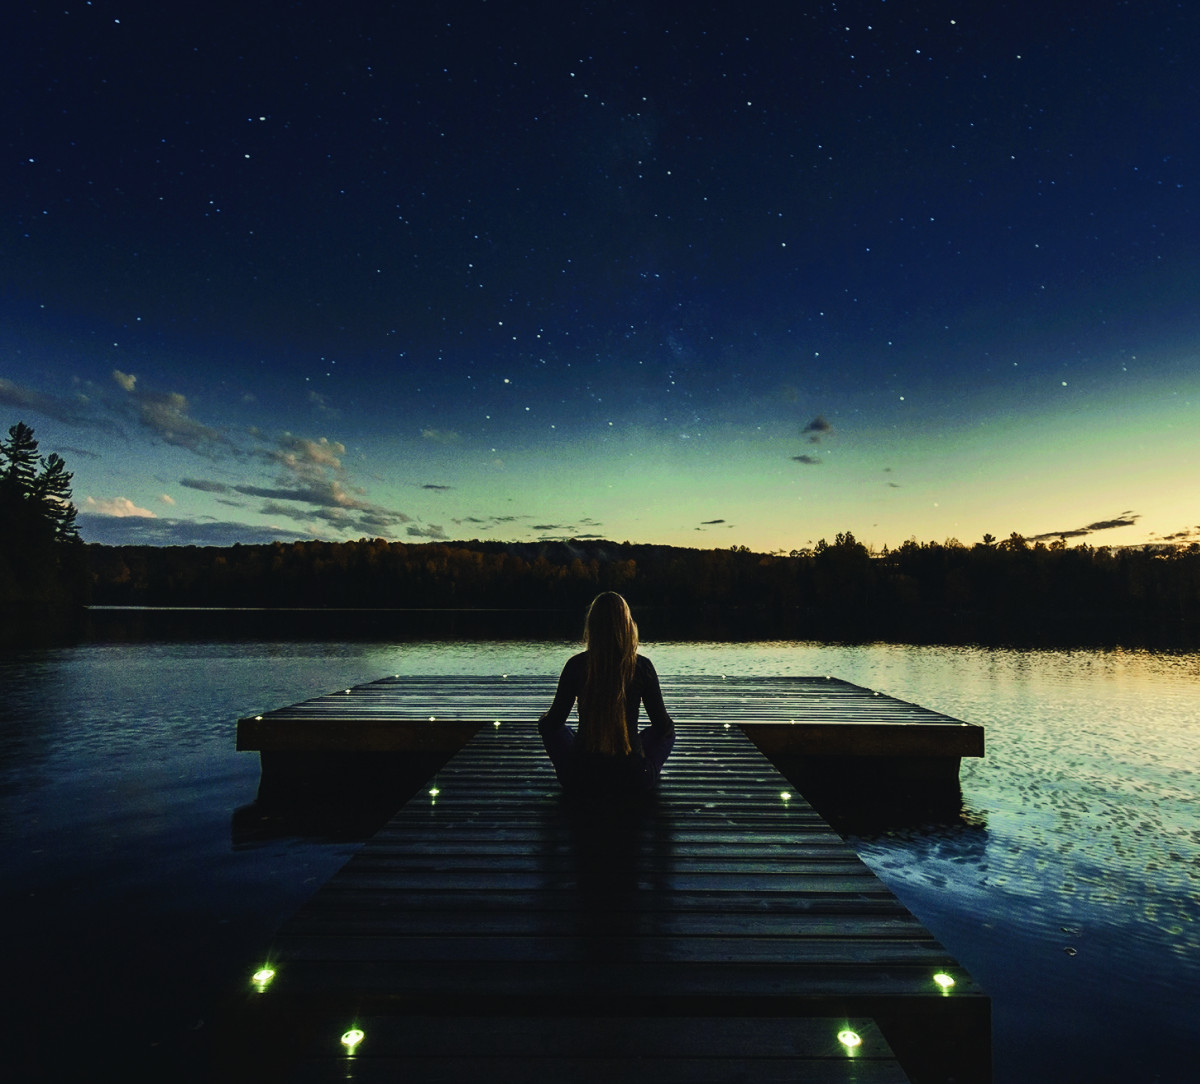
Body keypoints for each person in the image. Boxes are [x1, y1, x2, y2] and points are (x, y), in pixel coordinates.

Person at [538, 592, 675, 796]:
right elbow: (663, 727)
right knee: (665, 733)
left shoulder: (576, 666)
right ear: (627, 626)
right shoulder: (642, 667)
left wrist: (544, 720)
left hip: (579, 778)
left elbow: (552, 725)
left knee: (556, 729)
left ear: (592, 627)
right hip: (634, 779)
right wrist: (640, 741)